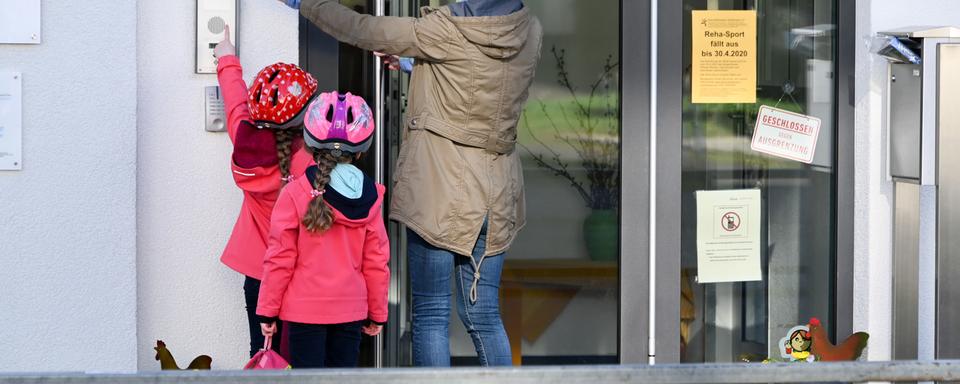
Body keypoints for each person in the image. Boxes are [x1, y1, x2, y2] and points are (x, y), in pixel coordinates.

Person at [275, 0, 542, 367]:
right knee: (484, 317)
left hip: (439, 189)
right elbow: (479, 81)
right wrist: (414, 64)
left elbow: (363, 27)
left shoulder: (443, 32)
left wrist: (306, 3)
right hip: (496, 196)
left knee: (432, 313)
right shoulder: (529, 32)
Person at [256, 92, 390, 368]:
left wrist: (268, 311)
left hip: (304, 312)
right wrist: (377, 312)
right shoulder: (371, 197)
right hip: (350, 310)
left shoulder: (294, 192)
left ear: (309, 145)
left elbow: (279, 257)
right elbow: (376, 260)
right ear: (362, 150)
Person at [213, 26, 319, 357]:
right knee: (299, 359)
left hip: (258, 276)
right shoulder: (309, 163)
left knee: (263, 355)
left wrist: (226, 56)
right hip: (300, 277)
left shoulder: (243, 139)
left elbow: (234, 103)